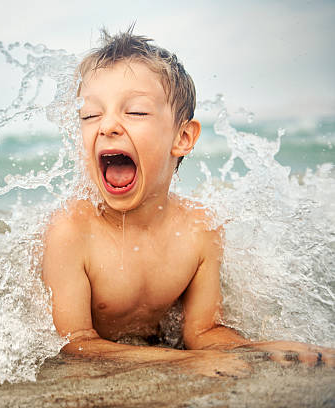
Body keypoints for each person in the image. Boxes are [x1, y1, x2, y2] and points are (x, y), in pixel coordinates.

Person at [41, 28, 334, 377]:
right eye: (90, 116)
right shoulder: (71, 232)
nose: (107, 126)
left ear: (182, 137)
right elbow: (75, 345)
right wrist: (185, 362)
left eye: (135, 112)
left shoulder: (199, 231)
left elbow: (203, 332)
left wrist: (266, 350)